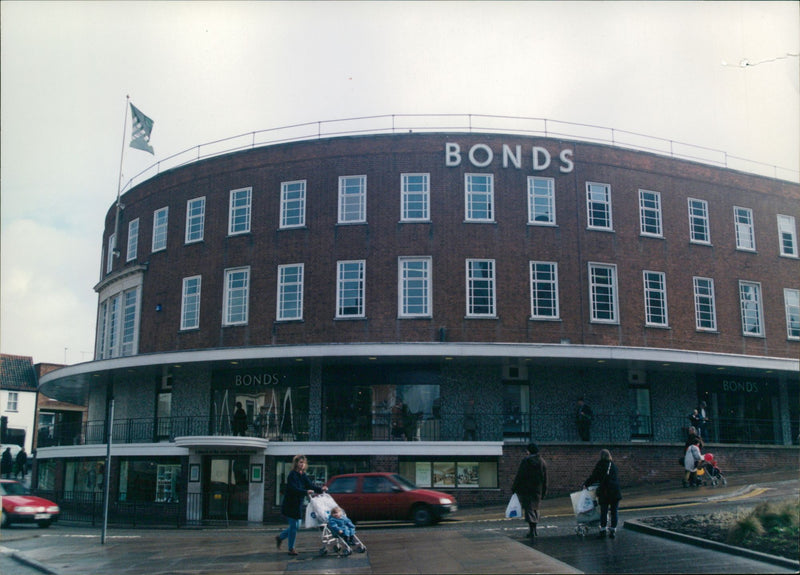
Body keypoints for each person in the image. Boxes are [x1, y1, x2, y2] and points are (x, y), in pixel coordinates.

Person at [276, 455, 326, 556]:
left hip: (298, 503)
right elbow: (293, 489)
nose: (302, 464)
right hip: (290, 504)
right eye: (300, 462)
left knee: (296, 526)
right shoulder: (292, 475)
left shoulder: (303, 475)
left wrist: (321, 489)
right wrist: (305, 492)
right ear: (296, 464)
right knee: (294, 526)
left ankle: (280, 537)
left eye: (303, 462)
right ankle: (291, 548)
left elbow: (310, 485)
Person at [582, 448, 622, 539]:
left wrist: (586, 484)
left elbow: (594, 476)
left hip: (605, 491)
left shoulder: (600, 465)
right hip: (615, 491)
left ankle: (603, 530)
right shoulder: (613, 465)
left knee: (604, 511)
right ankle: (613, 530)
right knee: (614, 512)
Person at [511, 442, 548, 539]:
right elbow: (545, 479)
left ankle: (532, 531)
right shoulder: (542, 462)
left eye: (527, 450)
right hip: (537, 490)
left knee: (529, 510)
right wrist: (544, 491)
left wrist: (514, 487)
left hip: (527, 490)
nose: (526, 452)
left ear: (530, 451)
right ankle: (535, 530)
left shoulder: (526, 461)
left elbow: (520, 476)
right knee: (535, 509)